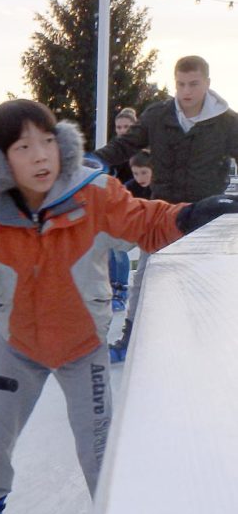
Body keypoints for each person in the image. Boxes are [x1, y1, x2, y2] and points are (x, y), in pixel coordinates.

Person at [0, 99, 238, 514]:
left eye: (48, 142)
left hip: (81, 345)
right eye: (24, 147)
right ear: (0, 161)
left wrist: (190, 215)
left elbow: (145, 222)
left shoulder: (93, 194)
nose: (40, 156)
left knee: (97, 446)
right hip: (17, 345)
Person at [93, 55, 238, 359]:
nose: (186, 91)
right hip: (161, 215)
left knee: (203, 282)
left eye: (194, 84)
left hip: (205, 219)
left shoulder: (227, 123)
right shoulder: (158, 116)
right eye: (181, 84)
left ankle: (204, 341)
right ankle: (130, 338)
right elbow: (126, 144)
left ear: (207, 84)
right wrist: (99, 160)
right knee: (147, 277)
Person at [109, 150, 153, 362]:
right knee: (111, 245)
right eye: (136, 173)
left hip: (155, 238)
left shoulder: (162, 188)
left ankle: (130, 336)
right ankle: (115, 288)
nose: (140, 178)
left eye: (144, 173)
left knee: (141, 280)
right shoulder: (131, 188)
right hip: (139, 231)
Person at [107, 107, 138, 312]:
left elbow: (140, 179)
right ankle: (112, 288)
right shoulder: (113, 151)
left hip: (132, 208)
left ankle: (122, 289)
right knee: (109, 248)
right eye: (119, 127)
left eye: (127, 127)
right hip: (112, 207)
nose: (122, 130)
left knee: (120, 249)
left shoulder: (141, 152)